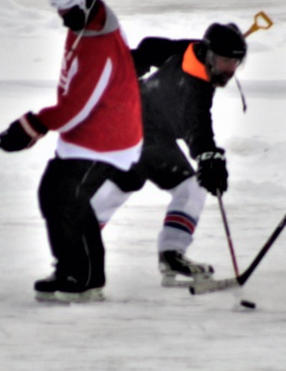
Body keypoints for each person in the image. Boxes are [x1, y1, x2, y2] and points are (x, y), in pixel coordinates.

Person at [0, 0, 143, 303]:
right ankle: (78, 273)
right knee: (59, 194)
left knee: (64, 196)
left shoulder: (98, 44)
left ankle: (80, 277)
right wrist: (35, 128)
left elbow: (77, 106)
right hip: (86, 134)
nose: (64, 18)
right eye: (59, 11)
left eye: (69, 10)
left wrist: (30, 126)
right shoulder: (88, 20)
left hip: (107, 139)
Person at [90, 23, 247, 286]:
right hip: (139, 130)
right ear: (209, 56)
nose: (229, 70)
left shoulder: (192, 49)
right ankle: (171, 253)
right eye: (224, 61)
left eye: (235, 62)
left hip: (133, 121)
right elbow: (197, 126)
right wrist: (208, 157)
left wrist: (135, 61)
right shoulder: (195, 88)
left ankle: (76, 246)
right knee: (190, 188)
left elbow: (153, 46)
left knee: (120, 186)